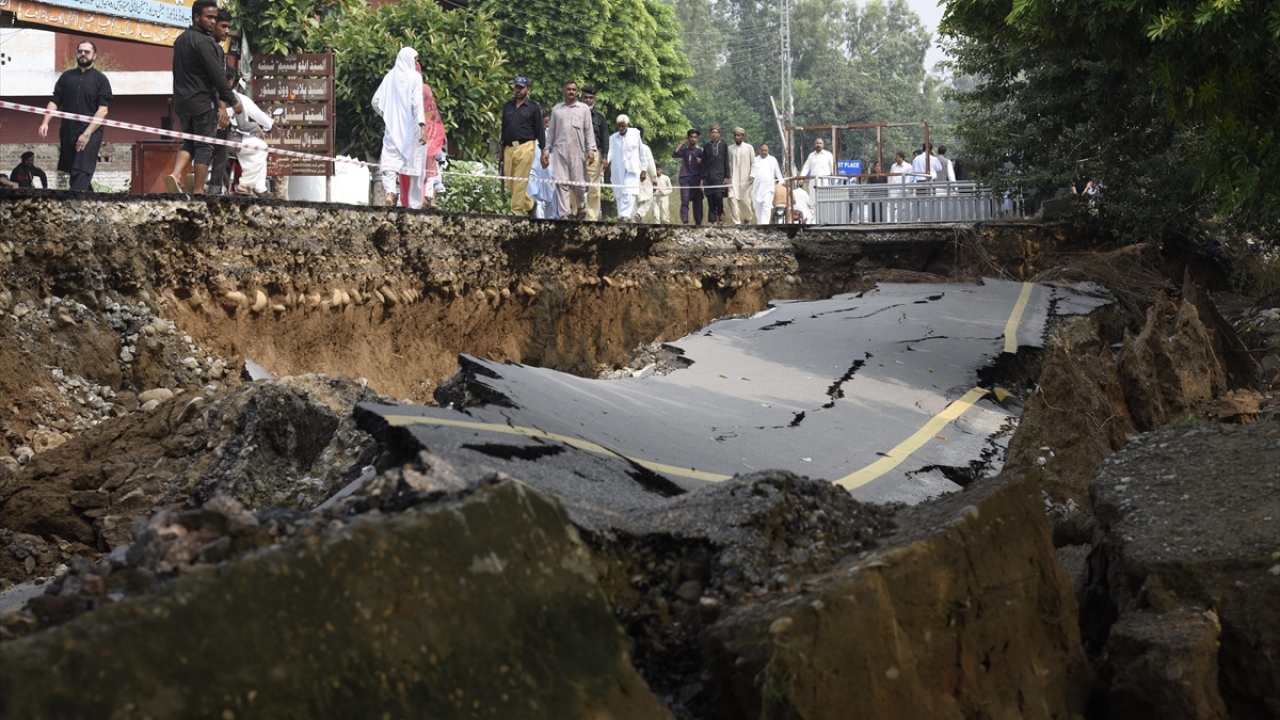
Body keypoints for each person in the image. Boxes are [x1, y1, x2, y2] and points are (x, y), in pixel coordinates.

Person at [164, 0, 242, 195]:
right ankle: (199, 190)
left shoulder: (180, 40)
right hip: (202, 103)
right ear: (196, 17)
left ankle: (174, 175)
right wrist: (232, 100)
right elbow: (217, 76)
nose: (212, 21)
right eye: (209, 17)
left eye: (214, 18)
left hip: (182, 103)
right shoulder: (206, 43)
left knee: (190, 141)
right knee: (204, 146)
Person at [37, 40, 112, 191]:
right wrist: (45, 122)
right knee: (72, 169)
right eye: (80, 51)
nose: (83, 54)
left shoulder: (100, 80)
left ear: (94, 56)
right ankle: (89, 203)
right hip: (68, 130)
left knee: (82, 168)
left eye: (87, 52)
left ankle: (73, 203)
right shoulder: (66, 77)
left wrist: (87, 134)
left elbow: (102, 111)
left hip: (90, 131)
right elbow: (55, 101)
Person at [372, 48, 428, 207]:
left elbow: (375, 101)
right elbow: (417, 103)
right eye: (415, 60)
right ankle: (415, 205)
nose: (416, 63)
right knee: (416, 166)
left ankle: (390, 192)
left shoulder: (389, 77)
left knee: (389, 160)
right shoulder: (415, 77)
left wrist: (388, 116)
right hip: (412, 127)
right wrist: (422, 126)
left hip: (393, 127)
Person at [543, 80, 596, 220]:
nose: (571, 92)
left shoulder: (583, 109)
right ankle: (565, 214)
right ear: (563, 91)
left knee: (578, 183)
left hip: (578, 151)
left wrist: (591, 150)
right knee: (561, 182)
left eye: (574, 89)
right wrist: (546, 151)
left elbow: (588, 131)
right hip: (559, 151)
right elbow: (551, 132)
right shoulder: (556, 110)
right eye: (568, 89)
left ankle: (580, 206)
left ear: (577, 92)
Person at [499, 76, 545, 215]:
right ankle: (530, 205)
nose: (518, 90)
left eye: (521, 88)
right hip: (508, 147)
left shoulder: (534, 107)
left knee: (520, 180)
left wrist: (544, 150)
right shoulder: (508, 106)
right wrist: (501, 150)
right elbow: (504, 128)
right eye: (516, 87)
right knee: (510, 182)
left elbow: (540, 130)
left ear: (528, 89)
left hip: (526, 146)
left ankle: (517, 212)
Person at [225, 72, 274, 197]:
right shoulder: (235, 97)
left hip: (210, 139)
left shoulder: (210, 94)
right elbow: (243, 125)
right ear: (232, 83)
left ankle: (260, 188)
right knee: (261, 147)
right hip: (231, 139)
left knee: (256, 147)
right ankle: (246, 185)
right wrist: (257, 128)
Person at [206, 9, 234, 195]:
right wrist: (222, 108)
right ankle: (213, 190)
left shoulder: (198, 45)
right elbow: (218, 81)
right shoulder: (213, 49)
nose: (226, 31)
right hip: (211, 107)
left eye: (228, 27)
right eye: (223, 26)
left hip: (197, 105)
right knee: (218, 148)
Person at [604, 114, 642, 221]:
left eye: (623, 126)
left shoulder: (635, 134)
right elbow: (609, 153)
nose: (621, 128)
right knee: (619, 194)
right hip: (618, 169)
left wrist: (643, 169)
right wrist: (605, 163)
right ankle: (624, 216)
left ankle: (625, 215)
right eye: (619, 126)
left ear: (627, 125)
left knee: (629, 192)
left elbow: (641, 152)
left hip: (632, 169)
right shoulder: (613, 138)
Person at [582, 86, 608, 221]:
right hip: (577, 153)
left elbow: (605, 139)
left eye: (590, 98)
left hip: (595, 154)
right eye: (585, 97)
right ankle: (575, 215)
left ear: (594, 100)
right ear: (582, 98)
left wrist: (604, 157)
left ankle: (592, 218)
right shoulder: (574, 114)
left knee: (594, 188)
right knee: (574, 185)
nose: (588, 100)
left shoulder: (600, 117)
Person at [672, 128, 703, 225]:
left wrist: (701, 162)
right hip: (685, 178)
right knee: (685, 200)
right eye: (691, 137)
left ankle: (698, 223)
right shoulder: (685, 151)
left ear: (697, 139)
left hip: (697, 178)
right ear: (688, 138)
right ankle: (685, 222)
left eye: (695, 137)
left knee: (698, 202)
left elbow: (706, 164)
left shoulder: (701, 151)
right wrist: (682, 143)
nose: (693, 139)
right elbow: (675, 154)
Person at [701, 124, 731, 225]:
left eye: (716, 132)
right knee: (710, 199)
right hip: (708, 177)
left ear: (719, 134)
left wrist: (727, 176)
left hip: (720, 176)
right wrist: (702, 179)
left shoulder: (723, 145)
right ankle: (713, 221)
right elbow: (704, 164)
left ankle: (721, 213)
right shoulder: (706, 147)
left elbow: (726, 161)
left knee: (718, 196)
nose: (714, 134)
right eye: (713, 132)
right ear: (710, 134)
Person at [749, 142, 784, 224]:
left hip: (768, 189)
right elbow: (750, 173)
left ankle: (765, 225)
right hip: (756, 189)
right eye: (762, 150)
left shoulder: (772, 160)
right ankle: (760, 225)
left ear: (768, 151)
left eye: (766, 150)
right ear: (759, 150)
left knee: (766, 207)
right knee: (758, 209)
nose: (764, 152)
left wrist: (782, 182)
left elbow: (778, 172)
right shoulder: (755, 160)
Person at [727, 127, 754, 225]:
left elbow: (753, 163)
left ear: (743, 136)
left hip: (746, 179)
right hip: (732, 179)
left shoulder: (749, 147)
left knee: (746, 202)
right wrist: (726, 177)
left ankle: (747, 219)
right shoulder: (729, 148)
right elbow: (727, 164)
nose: (736, 137)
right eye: (735, 135)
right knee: (731, 199)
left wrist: (752, 175)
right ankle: (737, 223)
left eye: (738, 135)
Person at [887, 151, 911, 222]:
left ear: (901, 158)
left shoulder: (908, 167)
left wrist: (906, 189)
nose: (896, 158)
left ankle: (902, 223)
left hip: (902, 190)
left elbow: (909, 178)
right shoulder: (893, 166)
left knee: (903, 208)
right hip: (893, 190)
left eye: (897, 157)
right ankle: (890, 222)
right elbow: (890, 177)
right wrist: (889, 187)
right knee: (891, 207)